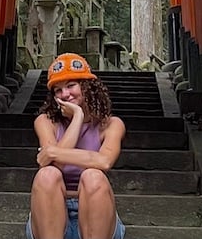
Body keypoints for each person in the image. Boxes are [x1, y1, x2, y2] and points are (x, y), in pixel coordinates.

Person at [26, 53, 127, 239]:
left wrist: (53, 151)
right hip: (51, 215)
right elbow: (53, 167)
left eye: (71, 85)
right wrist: (77, 118)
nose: (65, 94)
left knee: (93, 176)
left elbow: (104, 162)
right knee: (47, 175)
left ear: (87, 86)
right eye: (58, 90)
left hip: (96, 217)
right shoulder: (45, 122)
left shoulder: (112, 124)